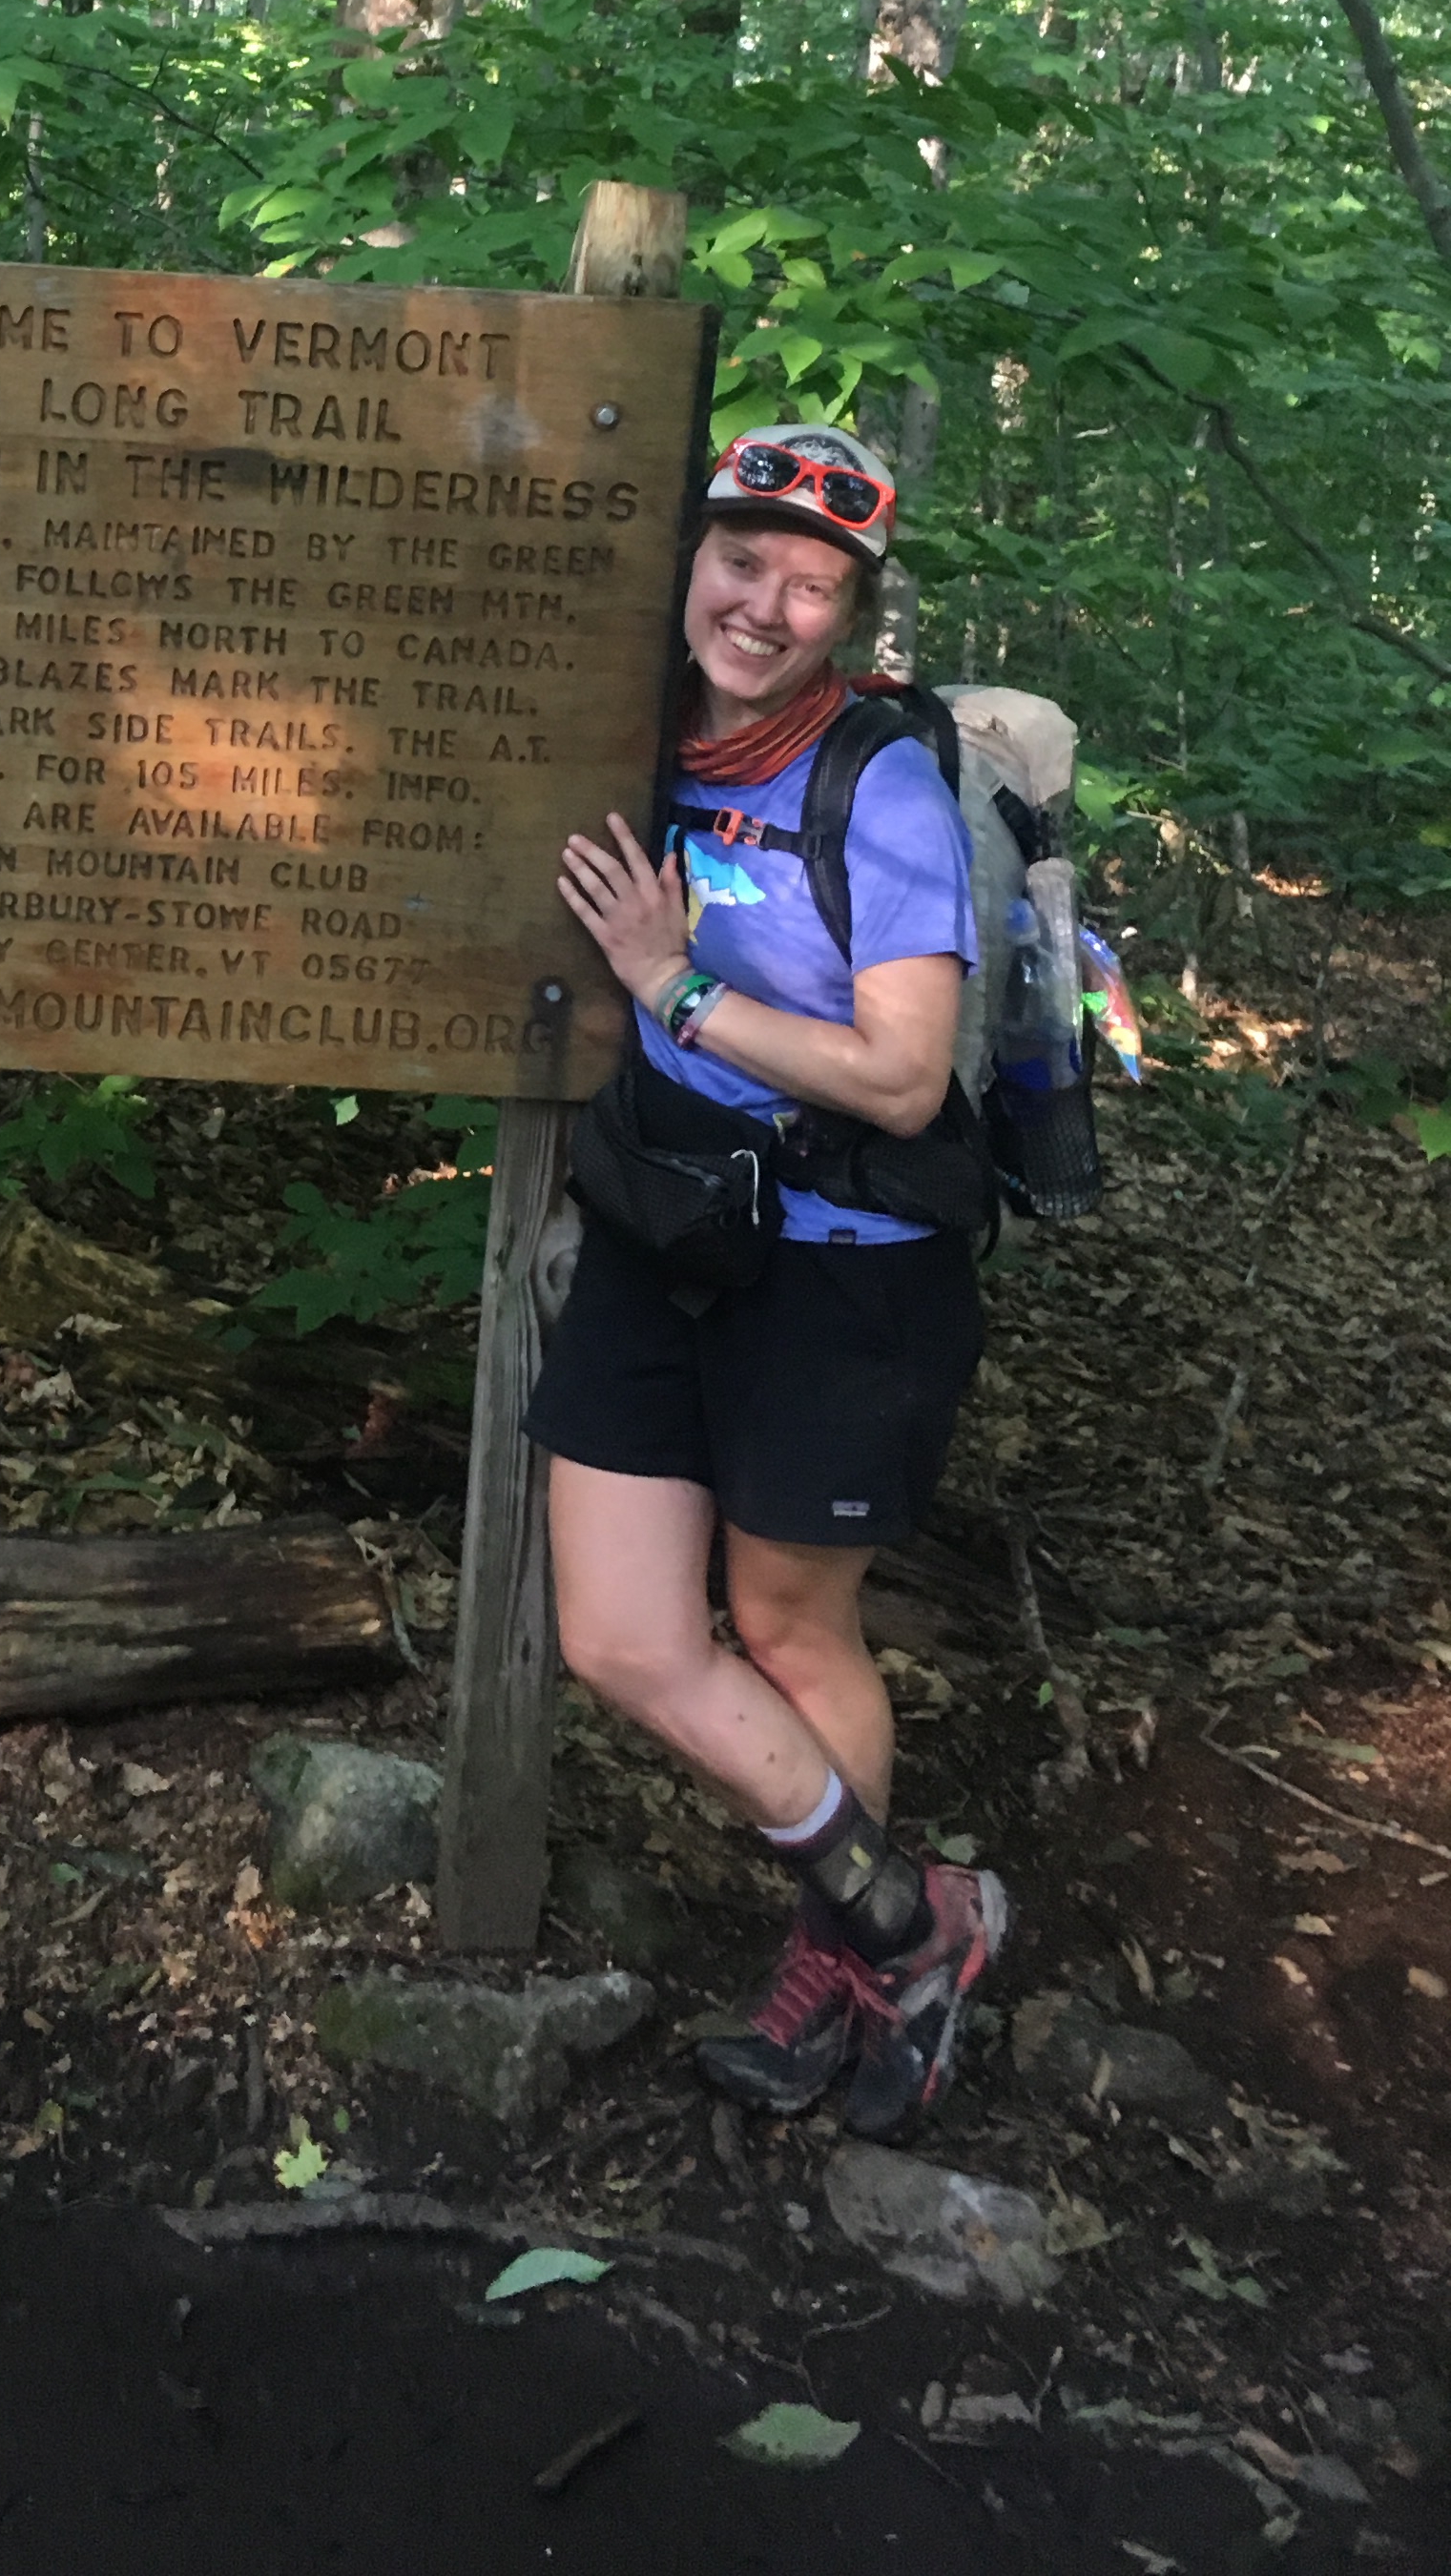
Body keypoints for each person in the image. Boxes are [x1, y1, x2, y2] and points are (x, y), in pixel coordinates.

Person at [529, 422, 1007, 2137]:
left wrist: (672, 984)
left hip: (845, 1270)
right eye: (742, 561)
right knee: (621, 1637)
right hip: (669, 1235)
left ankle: (839, 1964)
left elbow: (905, 1076)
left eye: (811, 587)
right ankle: (913, 1919)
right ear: (691, 559)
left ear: (851, 617)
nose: (763, 606)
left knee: (792, 1627)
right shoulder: (629, 729)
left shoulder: (877, 781)